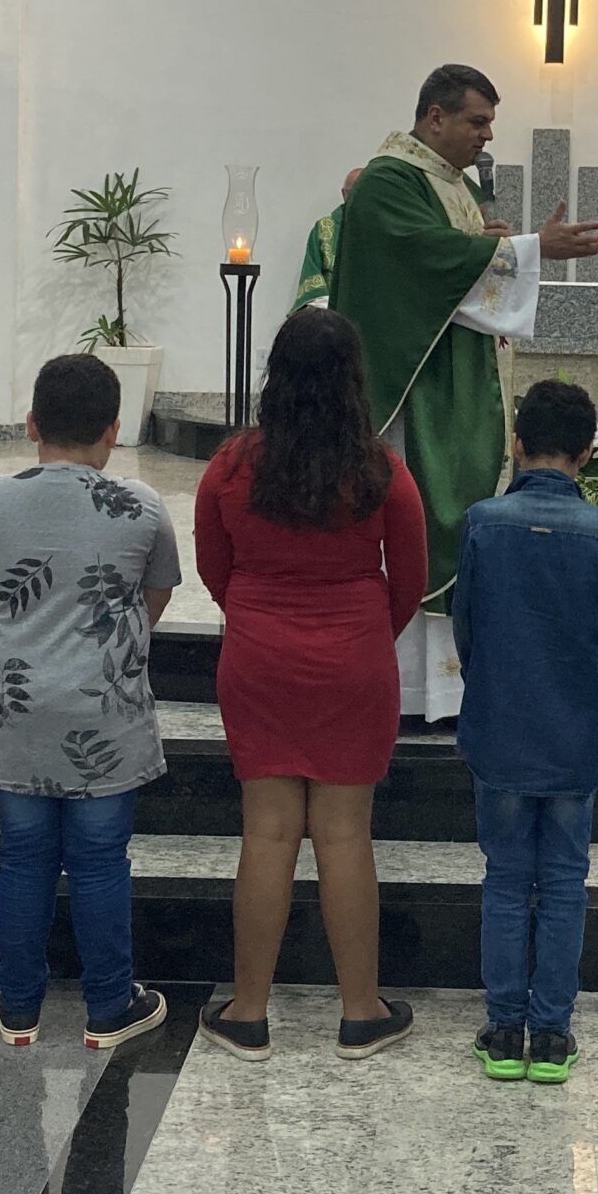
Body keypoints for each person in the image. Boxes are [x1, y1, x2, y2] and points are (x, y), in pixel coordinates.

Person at [329, 63, 598, 723]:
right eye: (477, 122)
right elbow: (424, 261)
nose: (487, 136)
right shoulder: (389, 181)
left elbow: (451, 257)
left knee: (449, 512)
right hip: (415, 387)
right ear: (436, 117)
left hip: (451, 377)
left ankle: (447, 689)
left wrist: (489, 244)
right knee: (422, 519)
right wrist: (530, 248)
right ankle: (406, 688)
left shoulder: (449, 182)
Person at [193, 310, 429, 1062]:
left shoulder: (231, 466)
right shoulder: (381, 470)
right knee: (345, 833)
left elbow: (214, 567)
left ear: (276, 377)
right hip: (354, 658)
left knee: (266, 832)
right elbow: (412, 580)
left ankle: (247, 1013)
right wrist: (361, 635)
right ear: (353, 380)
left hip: (258, 656)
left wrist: (259, 618)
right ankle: (361, 1013)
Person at [0, 353, 179, 1053]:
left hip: (18, 710)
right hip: (103, 711)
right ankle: (109, 1006)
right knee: (101, 859)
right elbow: (156, 594)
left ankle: (19, 1008)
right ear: (115, 430)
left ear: (31, 424)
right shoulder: (141, 506)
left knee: (22, 859)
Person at [451, 378, 598, 1084]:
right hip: (574, 732)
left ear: (516, 443)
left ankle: (503, 1031)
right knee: (563, 881)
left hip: (500, 727)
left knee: (503, 878)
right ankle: (552, 1035)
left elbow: (466, 629)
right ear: (587, 453)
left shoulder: (483, 522)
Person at [291, 166, 363, 311]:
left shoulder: (385, 229)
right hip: (331, 314)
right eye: (355, 193)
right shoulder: (324, 229)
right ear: (344, 194)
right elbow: (312, 277)